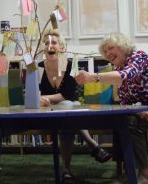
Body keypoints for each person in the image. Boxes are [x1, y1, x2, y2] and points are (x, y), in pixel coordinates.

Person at [75, 32, 148, 184]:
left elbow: (127, 75)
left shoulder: (138, 57)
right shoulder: (118, 68)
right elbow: (125, 101)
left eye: (111, 48)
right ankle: (128, 170)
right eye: (105, 51)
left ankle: (144, 175)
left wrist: (94, 77)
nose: (108, 53)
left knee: (131, 123)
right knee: (121, 119)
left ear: (123, 47)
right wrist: (139, 109)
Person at [38, 30, 111, 184]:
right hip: (48, 112)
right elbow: (34, 93)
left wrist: (45, 98)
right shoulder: (38, 67)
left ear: (62, 47)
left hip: (69, 109)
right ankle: (93, 145)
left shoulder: (70, 65)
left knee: (68, 111)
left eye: (54, 43)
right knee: (71, 110)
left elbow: (67, 95)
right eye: (46, 43)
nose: (49, 46)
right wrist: (42, 99)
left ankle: (66, 170)